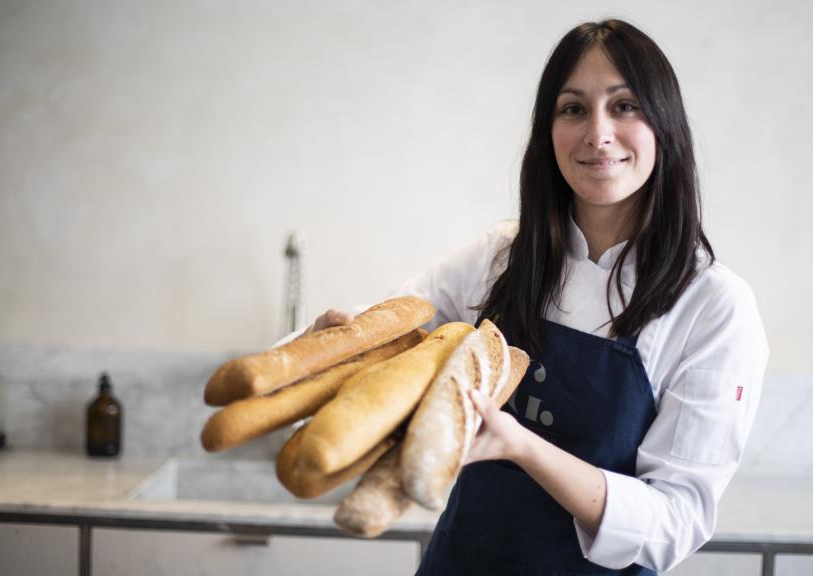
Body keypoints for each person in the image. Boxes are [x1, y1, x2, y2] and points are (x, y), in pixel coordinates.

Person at [305, 18, 767, 575]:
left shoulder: (714, 307)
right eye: (573, 109)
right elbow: (396, 339)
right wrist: (333, 344)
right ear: (548, 131)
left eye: (624, 106)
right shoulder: (502, 254)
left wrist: (520, 446)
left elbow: (676, 522)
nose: (598, 134)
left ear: (664, 124)